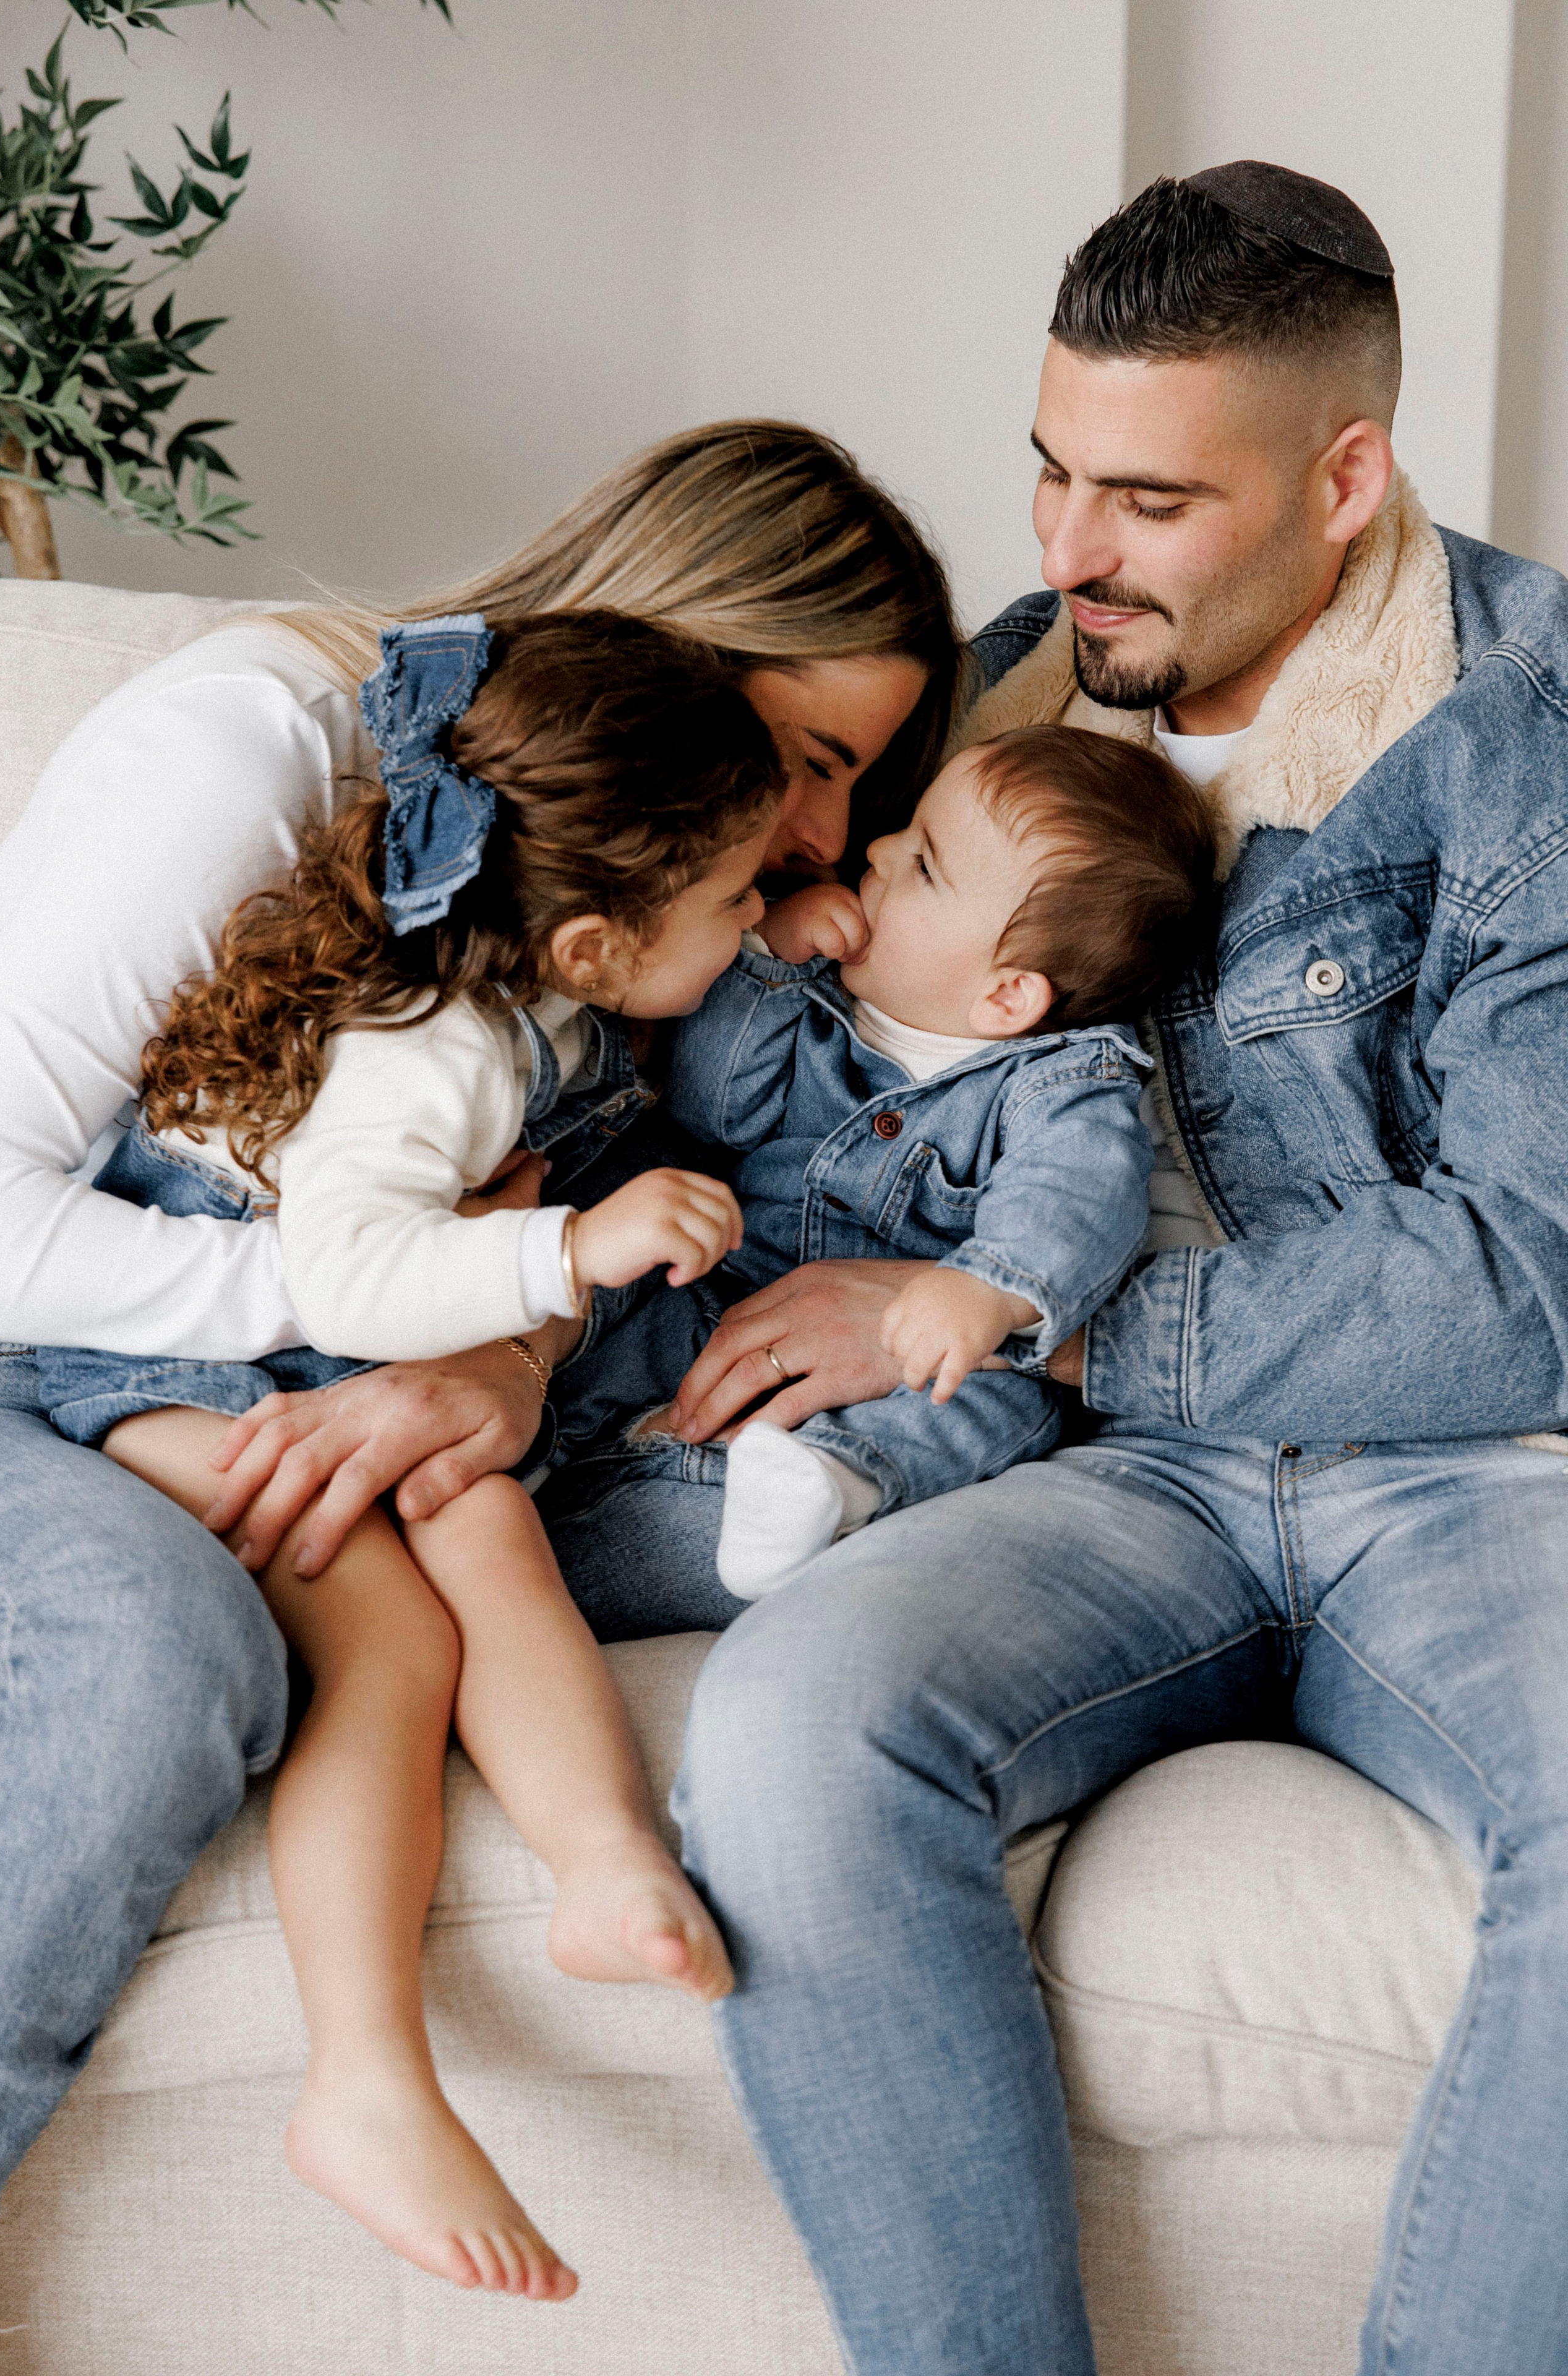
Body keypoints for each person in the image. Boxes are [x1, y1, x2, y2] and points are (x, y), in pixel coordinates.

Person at [536, 166, 1568, 2375]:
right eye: (1051, 470)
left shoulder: (1533, 728)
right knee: (798, 1733)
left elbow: (1531, 1274)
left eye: (1149, 501)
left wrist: (1029, 1316)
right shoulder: (999, 685)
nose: (1072, 548)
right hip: (1090, 1482)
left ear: (1344, 478)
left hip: (1468, 1473)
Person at [0, 420, 957, 2232]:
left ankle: (598, 1871)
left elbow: (578, 1209)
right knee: (179, 1649)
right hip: (72, 1331)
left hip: (358, 1322)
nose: (821, 834)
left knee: (589, 1536)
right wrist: (399, 1298)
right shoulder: (268, 752)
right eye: (812, 762)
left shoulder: (617, 932)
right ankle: (369, 2073)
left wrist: (500, 1353)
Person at [33, 609, 788, 2294]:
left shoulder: (543, 987)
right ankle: (363, 2079)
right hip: (158, 1342)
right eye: (741, 896)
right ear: (593, 939)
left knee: (484, 1522)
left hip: (319, 1339)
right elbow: (346, 1277)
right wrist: (567, 1252)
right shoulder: (432, 1050)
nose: (765, 916)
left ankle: (602, 1864)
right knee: (384, 1632)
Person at [544, 723, 1214, 1598]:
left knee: (997, 1397)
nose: (881, 848)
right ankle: (567, 1450)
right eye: (908, 830)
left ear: (1007, 995)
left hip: (912, 1356)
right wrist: (767, 960)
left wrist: (989, 1289)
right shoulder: (821, 998)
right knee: (638, 1303)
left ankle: (833, 1481)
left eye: (925, 864)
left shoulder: (1060, 1081)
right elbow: (713, 1109)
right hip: (729, 1288)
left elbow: (1077, 1195)